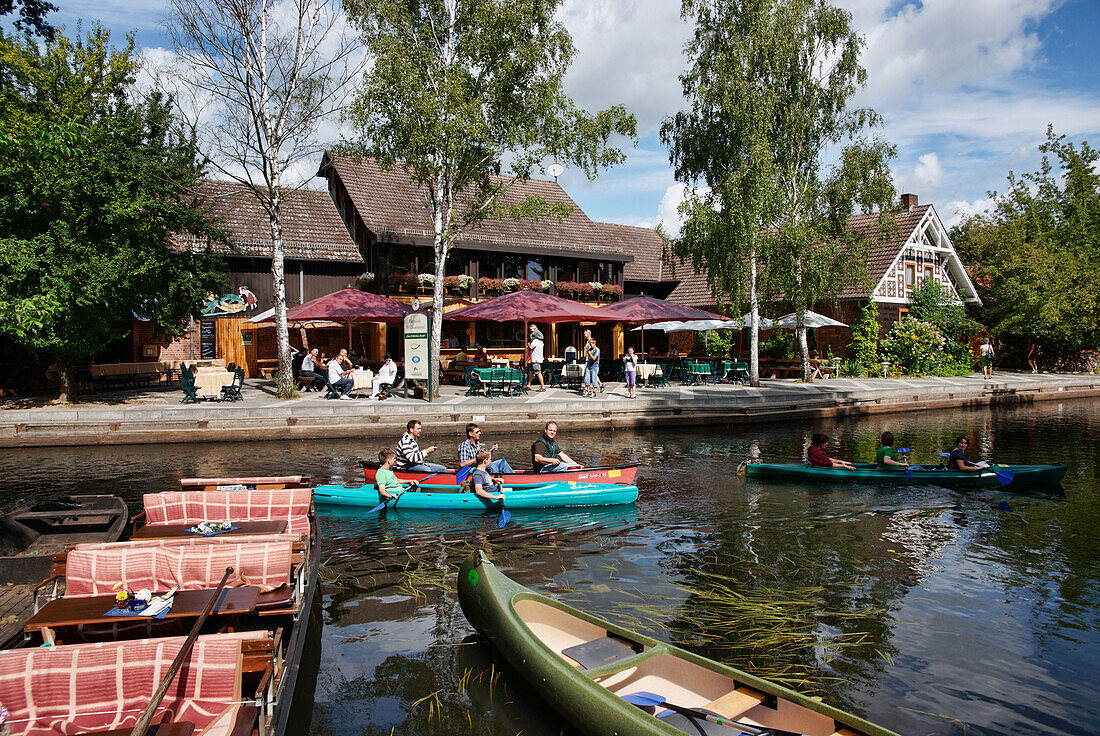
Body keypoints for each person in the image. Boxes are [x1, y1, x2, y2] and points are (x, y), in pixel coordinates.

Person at [583, 329, 604, 393]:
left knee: (590, 375)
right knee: (590, 375)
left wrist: (589, 354)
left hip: (590, 361)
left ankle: (588, 389)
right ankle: (599, 385)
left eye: (585, 334)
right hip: (589, 360)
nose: (584, 335)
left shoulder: (590, 342)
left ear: (589, 334)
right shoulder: (588, 342)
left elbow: (592, 352)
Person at [526, 324, 546, 392]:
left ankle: (543, 387)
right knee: (531, 372)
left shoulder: (535, 341)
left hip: (535, 359)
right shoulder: (541, 341)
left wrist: (528, 343)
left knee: (538, 372)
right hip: (536, 359)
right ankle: (528, 385)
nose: (531, 333)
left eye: (532, 331)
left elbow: (531, 347)